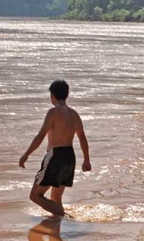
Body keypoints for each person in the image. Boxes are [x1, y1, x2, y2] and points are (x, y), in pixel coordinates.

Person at [19, 79, 91, 217]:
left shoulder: (53, 112)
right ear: (67, 95)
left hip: (56, 156)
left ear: (52, 96)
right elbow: (82, 138)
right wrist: (86, 160)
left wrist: (26, 154)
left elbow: (41, 135)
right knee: (56, 197)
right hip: (70, 157)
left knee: (35, 196)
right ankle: (58, 225)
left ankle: (64, 216)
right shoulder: (74, 114)